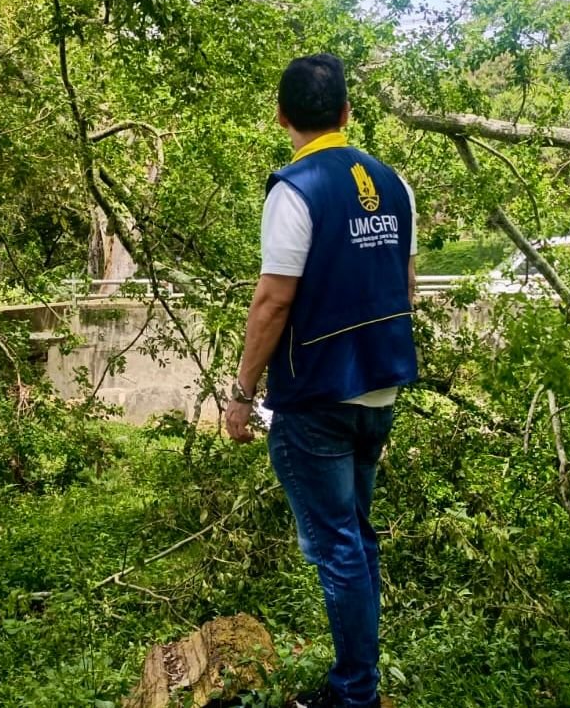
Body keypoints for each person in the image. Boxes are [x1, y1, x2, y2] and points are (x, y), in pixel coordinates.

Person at [224, 54, 418, 708]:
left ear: (281, 116)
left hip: (317, 400)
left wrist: (241, 394)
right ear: (346, 112)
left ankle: (354, 693)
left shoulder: (295, 189)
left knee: (338, 546)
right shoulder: (394, 183)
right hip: (379, 390)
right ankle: (359, 681)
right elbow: (406, 285)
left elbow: (273, 300)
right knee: (355, 536)